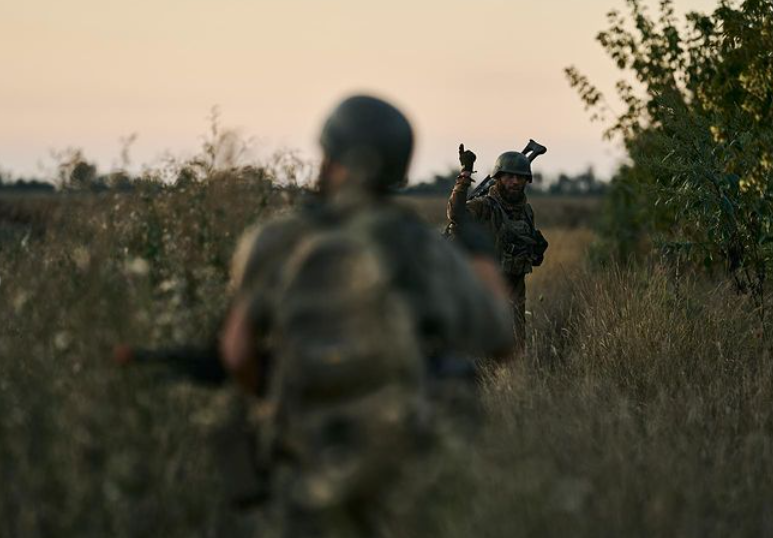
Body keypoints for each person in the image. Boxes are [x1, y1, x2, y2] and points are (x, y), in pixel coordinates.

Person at [219, 95, 513, 537]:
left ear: (331, 155)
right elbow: (501, 339)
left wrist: (277, 396)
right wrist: (482, 259)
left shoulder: (275, 240)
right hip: (403, 476)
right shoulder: (422, 248)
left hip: (303, 470)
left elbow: (238, 353)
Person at [446, 145, 548, 358]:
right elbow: (456, 214)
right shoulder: (484, 206)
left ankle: (513, 387)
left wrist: (535, 249)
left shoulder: (526, 212)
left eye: (520, 178)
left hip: (515, 289)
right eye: (509, 177)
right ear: (498, 178)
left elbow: (527, 250)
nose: (514, 182)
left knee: (516, 347)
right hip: (485, 287)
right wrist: (465, 172)